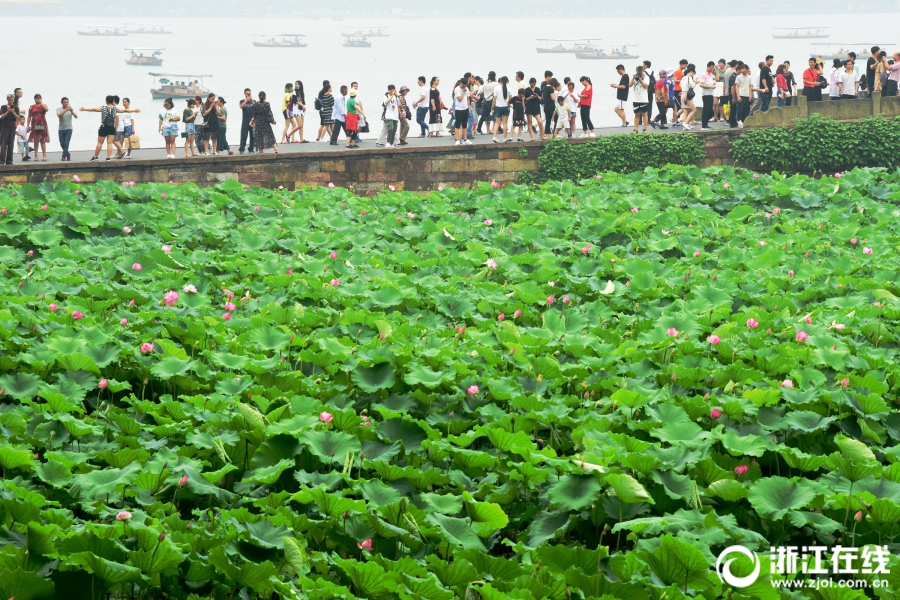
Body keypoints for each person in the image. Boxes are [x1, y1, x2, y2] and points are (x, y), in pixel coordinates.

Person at [81, 95, 120, 161]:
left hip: (104, 127)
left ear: (106, 101)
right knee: (109, 143)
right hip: (111, 127)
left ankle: (95, 157)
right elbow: (124, 110)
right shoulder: (115, 108)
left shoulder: (103, 107)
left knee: (100, 142)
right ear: (113, 101)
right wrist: (134, 110)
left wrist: (85, 109)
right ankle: (108, 158)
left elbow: (94, 109)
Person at [26, 93, 49, 162]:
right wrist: (28, 125)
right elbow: (29, 116)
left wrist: (41, 103)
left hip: (42, 124)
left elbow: (47, 110)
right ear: (34, 99)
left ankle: (44, 155)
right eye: (36, 98)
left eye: (39, 98)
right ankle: (36, 155)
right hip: (34, 124)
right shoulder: (32, 107)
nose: (38, 99)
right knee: (35, 141)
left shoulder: (43, 105)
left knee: (42, 140)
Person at [0, 94, 20, 165]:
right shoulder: (3, 107)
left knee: (11, 144)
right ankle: (2, 160)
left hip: (12, 127)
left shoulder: (16, 108)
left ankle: (9, 160)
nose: (11, 102)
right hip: (4, 127)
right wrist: (8, 111)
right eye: (10, 100)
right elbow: (2, 116)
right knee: (3, 144)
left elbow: (18, 117)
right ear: (7, 100)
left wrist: (13, 112)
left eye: (12, 100)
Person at [452, 79, 472, 146]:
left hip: (465, 108)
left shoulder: (466, 89)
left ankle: (465, 139)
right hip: (458, 109)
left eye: (465, 85)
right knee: (458, 124)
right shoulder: (457, 89)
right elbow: (459, 99)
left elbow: (468, 98)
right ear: (461, 83)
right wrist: (463, 92)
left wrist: (468, 108)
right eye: (463, 85)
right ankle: (457, 140)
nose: (464, 86)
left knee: (465, 124)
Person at [56, 97, 77, 161]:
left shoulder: (70, 109)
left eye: (67, 102)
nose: (66, 103)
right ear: (62, 103)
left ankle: (63, 156)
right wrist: (65, 111)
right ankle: (67, 154)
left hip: (69, 129)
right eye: (65, 102)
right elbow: (59, 115)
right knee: (62, 143)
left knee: (66, 143)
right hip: (61, 129)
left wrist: (72, 111)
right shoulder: (58, 109)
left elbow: (76, 116)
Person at [492, 75, 511, 143]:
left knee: (497, 123)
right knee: (505, 123)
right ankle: (504, 138)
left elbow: (494, 98)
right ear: (507, 81)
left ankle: (494, 137)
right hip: (506, 107)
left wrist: (492, 106)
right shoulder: (509, 89)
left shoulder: (497, 88)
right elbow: (510, 99)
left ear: (500, 81)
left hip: (498, 107)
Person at [630, 65, 649, 133]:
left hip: (643, 99)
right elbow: (629, 85)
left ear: (643, 71)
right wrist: (633, 78)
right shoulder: (635, 77)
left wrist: (640, 79)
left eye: (640, 73)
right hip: (635, 99)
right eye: (638, 73)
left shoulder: (646, 77)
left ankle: (644, 129)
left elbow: (646, 86)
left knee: (644, 114)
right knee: (636, 114)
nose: (639, 74)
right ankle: (635, 129)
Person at [698, 62, 716, 130]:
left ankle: (706, 124)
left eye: (713, 67)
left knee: (709, 109)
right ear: (708, 67)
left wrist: (716, 69)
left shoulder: (711, 75)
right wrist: (710, 87)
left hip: (711, 94)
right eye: (711, 67)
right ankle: (704, 125)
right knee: (706, 109)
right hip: (706, 94)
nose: (712, 69)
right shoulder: (704, 75)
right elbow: (701, 84)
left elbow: (717, 78)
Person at [733, 63, 752, 129]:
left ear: (747, 70)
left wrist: (750, 95)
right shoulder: (738, 77)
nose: (742, 70)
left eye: (743, 68)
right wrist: (738, 96)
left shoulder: (749, 77)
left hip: (747, 95)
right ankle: (739, 121)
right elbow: (736, 87)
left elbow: (749, 87)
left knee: (746, 110)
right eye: (741, 68)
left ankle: (744, 122)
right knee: (740, 110)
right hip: (741, 95)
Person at [679, 64, 697, 130]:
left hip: (683, 94)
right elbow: (693, 86)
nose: (693, 75)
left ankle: (684, 126)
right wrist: (695, 82)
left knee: (685, 111)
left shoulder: (683, 78)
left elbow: (681, 85)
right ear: (691, 72)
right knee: (693, 110)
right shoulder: (689, 77)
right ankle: (685, 123)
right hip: (687, 96)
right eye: (693, 73)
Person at [238, 88, 255, 154]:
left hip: (252, 121)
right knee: (243, 136)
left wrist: (252, 100)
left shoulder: (253, 101)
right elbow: (241, 107)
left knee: (252, 136)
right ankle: (242, 149)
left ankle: (251, 148)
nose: (248, 94)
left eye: (249, 93)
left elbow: (256, 107)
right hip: (245, 121)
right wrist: (246, 100)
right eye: (247, 93)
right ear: (244, 94)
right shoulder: (242, 101)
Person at [541, 70, 555, 135]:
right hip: (546, 102)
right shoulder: (545, 83)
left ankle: (547, 131)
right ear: (547, 76)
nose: (551, 78)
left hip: (545, 102)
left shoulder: (543, 83)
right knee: (546, 117)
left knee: (547, 118)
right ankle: (547, 130)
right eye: (550, 77)